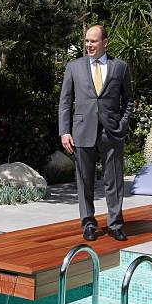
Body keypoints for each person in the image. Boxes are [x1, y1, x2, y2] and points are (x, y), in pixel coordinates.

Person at [58, 25, 134, 242]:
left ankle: (115, 224)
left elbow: (129, 99)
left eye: (93, 41)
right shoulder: (74, 67)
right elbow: (64, 103)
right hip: (82, 131)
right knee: (85, 182)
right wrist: (65, 132)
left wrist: (122, 124)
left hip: (112, 132)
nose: (89, 45)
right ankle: (88, 224)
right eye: (87, 41)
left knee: (114, 181)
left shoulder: (120, 67)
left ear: (105, 42)